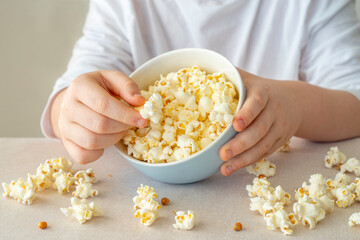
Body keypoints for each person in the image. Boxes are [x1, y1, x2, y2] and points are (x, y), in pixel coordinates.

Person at [41, 0, 360, 176]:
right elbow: (76, 87)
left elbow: (354, 100)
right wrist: (71, 110)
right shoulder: (124, 6)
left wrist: (297, 106)